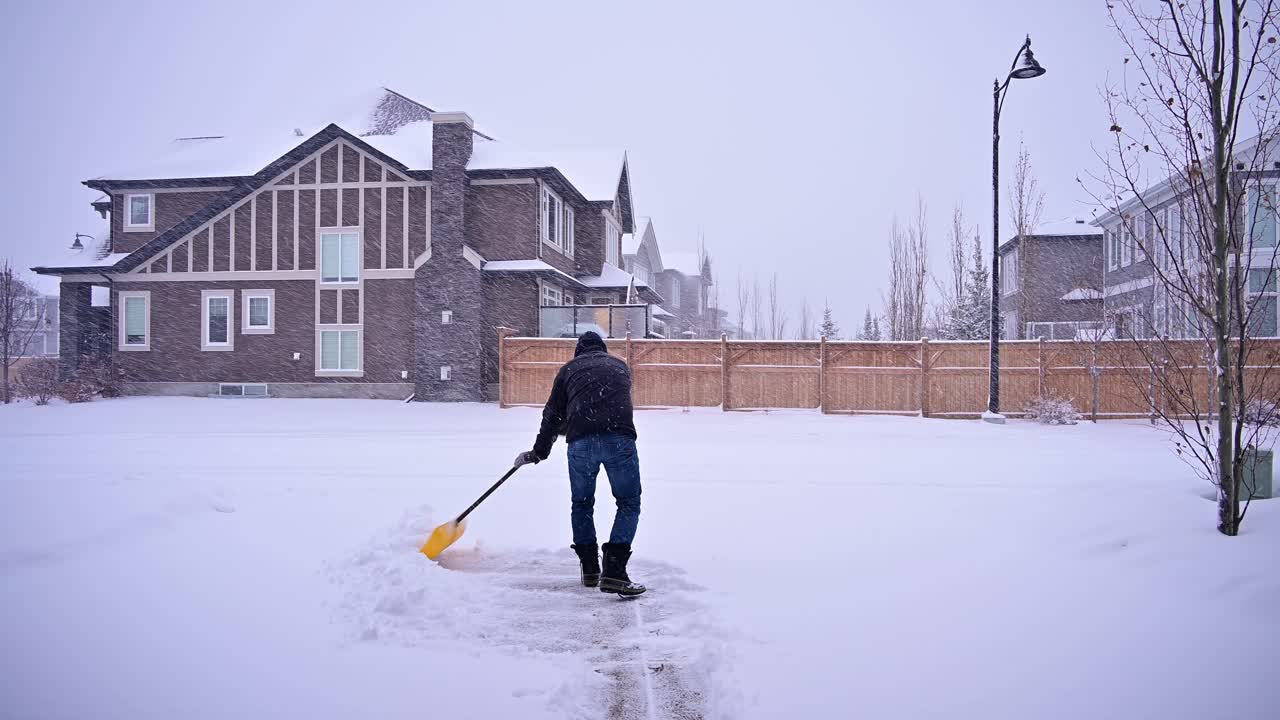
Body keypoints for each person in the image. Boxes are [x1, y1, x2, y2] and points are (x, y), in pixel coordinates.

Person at [515, 331, 646, 597]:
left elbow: (553, 414)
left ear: (579, 351)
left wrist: (539, 451)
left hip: (581, 444)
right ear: (603, 349)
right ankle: (615, 570)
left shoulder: (569, 369)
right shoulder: (620, 366)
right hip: (618, 440)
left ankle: (590, 568)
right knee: (628, 502)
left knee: (582, 502)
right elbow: (608, 403)